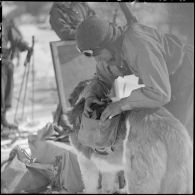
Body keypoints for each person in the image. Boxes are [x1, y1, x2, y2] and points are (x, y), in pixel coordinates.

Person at [75, 14, 194, 138]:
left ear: (108, 44)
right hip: (162, 80)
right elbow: (101, 79)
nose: (97, 60)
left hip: (185, 71)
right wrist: (91, 96)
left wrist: (120, 105)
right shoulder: (109, 54)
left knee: (177, 133)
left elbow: (160, 93)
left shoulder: (139, 46)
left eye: (97, 54)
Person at [1, 16, 32, 130]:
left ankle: (3, 119)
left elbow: (16, 38)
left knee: (6, 89)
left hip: (5, 61)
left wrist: (25, 46)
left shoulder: (4, 22)